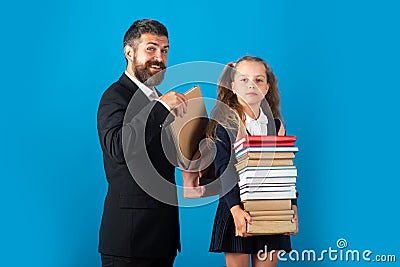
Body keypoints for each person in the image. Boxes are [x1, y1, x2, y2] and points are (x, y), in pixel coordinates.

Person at [97, 19, 187, 267]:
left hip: (162, 240)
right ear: (129, 52)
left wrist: (193, 159)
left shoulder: (161, 100)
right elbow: (117, 147)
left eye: (165, 50)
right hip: (129, 242)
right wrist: (159, 109)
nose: (159, 57)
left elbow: (161, 159)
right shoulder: (114, 96)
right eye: (151, 48)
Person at [207, 56, 299, 267]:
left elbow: (284, 169)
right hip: (236, 208)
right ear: (233, 86)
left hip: (273, 207)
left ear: (267, 88)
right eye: (244, 80)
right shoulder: (226, 122)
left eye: (258, 80)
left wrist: (292, 206)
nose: (251, 85)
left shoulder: (276, 126)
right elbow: (224, 169)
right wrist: (236, 210)